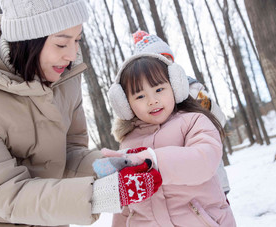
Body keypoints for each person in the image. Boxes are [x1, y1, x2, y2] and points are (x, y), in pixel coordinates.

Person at [0, 1, 162, 226]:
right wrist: (101, 195)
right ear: (28, 40)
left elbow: (70, 153)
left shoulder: (66, 75)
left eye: (77, 40)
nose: (72, 54)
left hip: (46, 215)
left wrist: (111, 168)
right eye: (61, 43)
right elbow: (3, 191)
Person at [101, 52, 236, 226]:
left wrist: (153, 162)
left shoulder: (193, 121)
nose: (152, 100)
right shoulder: (128, 142)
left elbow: (204, 161)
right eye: (140, 96)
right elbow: (128, 204)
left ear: (175, 87)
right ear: (125, 105)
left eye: (159, 90)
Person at [132, 30, 231, 194]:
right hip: (178, 187)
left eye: (169, 60)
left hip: (211, 177)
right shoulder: (151, 104)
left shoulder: (192, 89)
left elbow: (217, 117)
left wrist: (202, 135)